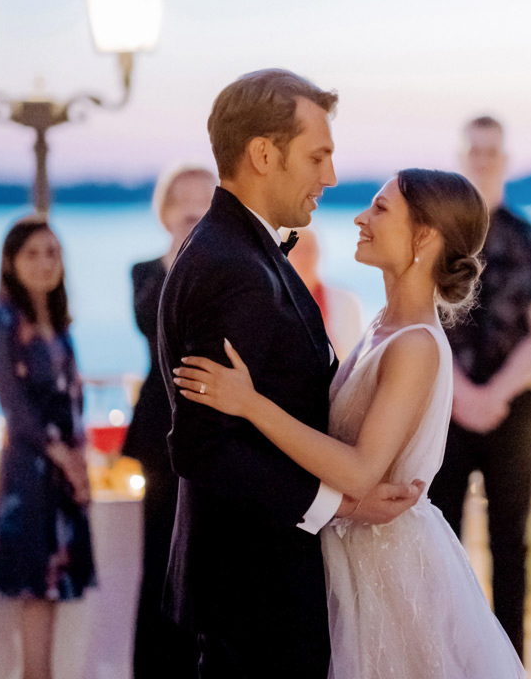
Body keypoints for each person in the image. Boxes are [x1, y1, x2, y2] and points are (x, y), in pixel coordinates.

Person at [172, 169, 526, 678]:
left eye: (381, 209)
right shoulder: (384, 324)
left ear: (424, 236)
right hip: (349, 551)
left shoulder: (416, 346)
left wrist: (249, 404)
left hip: (389, 569)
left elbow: (361, 471)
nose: (361, 218)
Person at [157, 69, 423, 678]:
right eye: (317, 156)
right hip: (253, 584)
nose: (329, 177)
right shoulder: (233, 268)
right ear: (263, 155)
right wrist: (338, 504)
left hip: (255, 582)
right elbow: (202, 448)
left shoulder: (241, 250)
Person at [428, 115, 531, 659]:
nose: (483, 159)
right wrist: (459, 393)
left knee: (511, 546)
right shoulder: (434, 237)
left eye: (492, 151)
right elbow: (418, 321)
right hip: (442, 408)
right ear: (462, 157)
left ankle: (509, 663)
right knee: (440, 544)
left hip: (511, 410)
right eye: (474, 151)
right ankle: (444, 660)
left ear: (504, 159)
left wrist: (495, 394)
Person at [0, 217, 96, 679]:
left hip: (62, 478)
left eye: (52, 253)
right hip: (32, 477)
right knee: (36, 591)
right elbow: (16, 405)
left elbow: (71, 403)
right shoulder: (4, 321)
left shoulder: (57, 323)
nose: (44, 263)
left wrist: (80, 461)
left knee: (50, 596)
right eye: (32, 253)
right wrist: (67, 460)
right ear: (11, 262)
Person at [122, 163, 216, 678]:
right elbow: (154, 327)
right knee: (159, 556)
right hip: (160, 433)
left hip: (211, 432)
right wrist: (180, 255)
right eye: (182, 198)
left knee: (204, 558)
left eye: (203, 196)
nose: (192, 206)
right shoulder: (146, 272)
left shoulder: (221, 274)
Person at [287, 227, 365, 358]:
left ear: (320, 253)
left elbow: (354, 360)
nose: (303, 257)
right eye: (296, 250)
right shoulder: (271, 302)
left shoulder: (346, 301)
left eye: (309, 250)